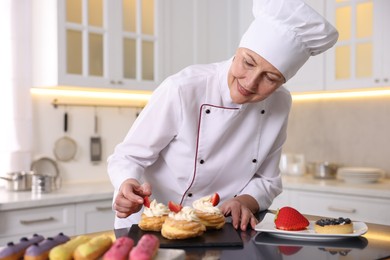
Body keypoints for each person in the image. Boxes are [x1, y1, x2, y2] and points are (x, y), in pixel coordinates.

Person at [107, 0, 338, 231]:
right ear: (237, 52)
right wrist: (127, 184)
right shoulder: (183, 88)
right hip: (152, 225)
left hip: (219, 229)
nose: (250, 82)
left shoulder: (280, 103)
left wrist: (243, 201)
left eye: (270, 78)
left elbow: (267, 180)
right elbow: (128, 157)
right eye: (248, 63)